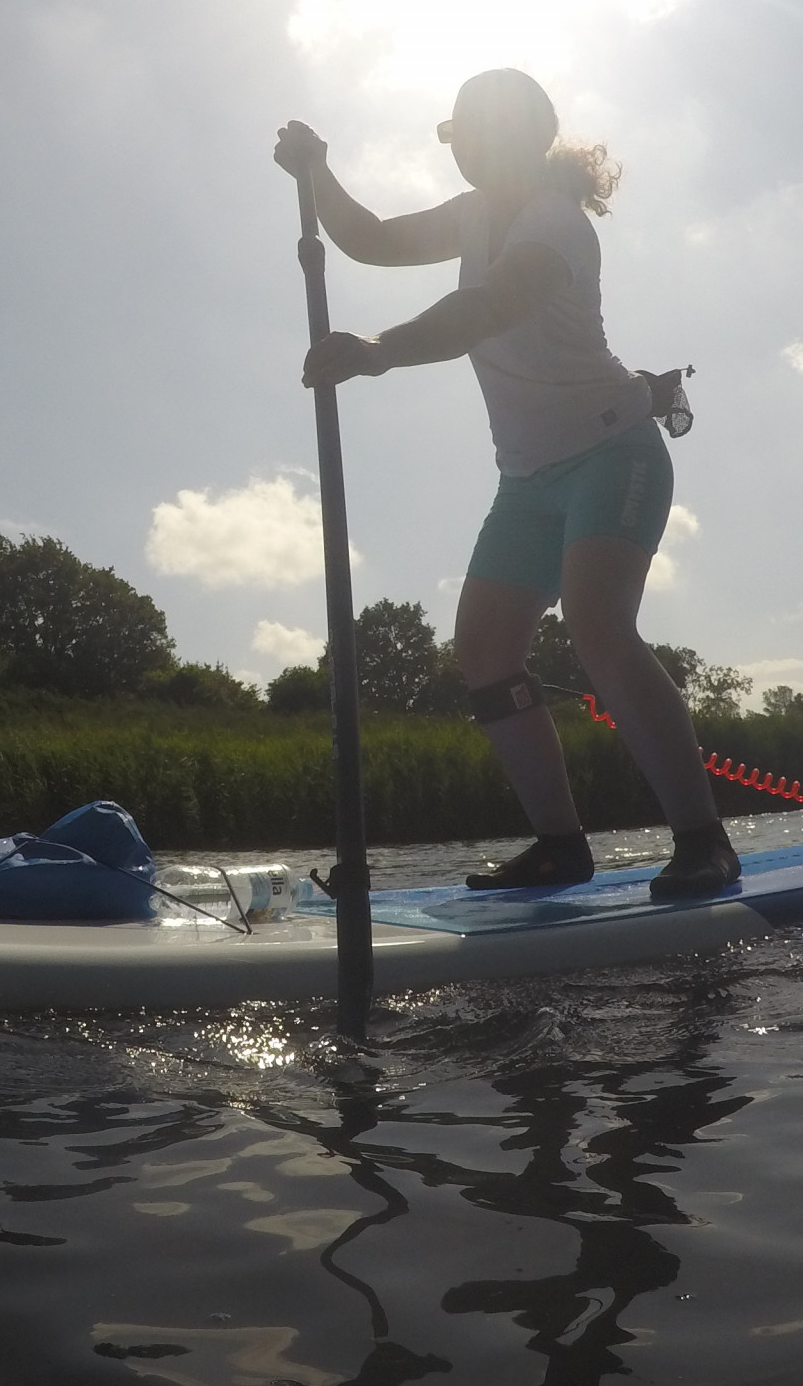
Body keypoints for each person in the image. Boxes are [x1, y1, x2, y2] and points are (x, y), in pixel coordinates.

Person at [274, 68, 740, 899]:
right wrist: (316, 174)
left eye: (488, 130)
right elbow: (373, 238)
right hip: (526, 480)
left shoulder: (555, 225)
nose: (471, 148)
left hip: (613, 454)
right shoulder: (471, 215)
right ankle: (561, 846)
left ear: (532, 138)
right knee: (485, 651)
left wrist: (376, 350)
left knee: (599, 627)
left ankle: (704, 840)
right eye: (462, 132)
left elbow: (484, 311)